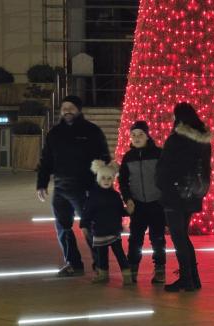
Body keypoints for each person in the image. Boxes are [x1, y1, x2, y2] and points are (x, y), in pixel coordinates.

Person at [36, 95, 110, 277]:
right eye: (64, 108)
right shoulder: (54, 133)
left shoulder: (92, 131)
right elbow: (46, 160)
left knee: (89, 226)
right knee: (63, 227)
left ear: (79, 110)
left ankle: (100, 264)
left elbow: (104, 157)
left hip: (84, 187)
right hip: (61, 188)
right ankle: (73, 263)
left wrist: (99, 184)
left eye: (71, 107)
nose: (67, 110)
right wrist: (42, 183)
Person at [156, 102, 212, 292]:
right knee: (183, 236)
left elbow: (165, 168)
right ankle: (193, 279)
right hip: (193, 195)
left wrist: (162, 186)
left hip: (174, 195)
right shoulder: (203, 141)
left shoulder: (177, 139)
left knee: (178, 237)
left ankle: (187, 279)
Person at [118, 121, 166, 284]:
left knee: (157, 238)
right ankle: (132, 268)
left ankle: (160, 269)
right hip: (137, 205)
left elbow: (166, 177)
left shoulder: (158, 154)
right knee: (135, 238)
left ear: (147, 136)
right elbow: (123, 182)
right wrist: (128, 199)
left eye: (140, 135)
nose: (136, 138)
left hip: (156, 204)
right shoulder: (128, 157)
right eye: (133, 135)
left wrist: (164, 197)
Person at [80, 160, 131, 285]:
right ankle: (103, 274)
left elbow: (120, 211)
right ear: (98, 179)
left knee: (120, 254)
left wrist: (128, 211)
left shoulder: (115, 195)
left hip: (114, 231)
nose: (106, 181)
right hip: (99, 230)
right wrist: (84, 225)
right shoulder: (93, 196)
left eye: (109, 178)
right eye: (103, 178)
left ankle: (127, 275)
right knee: (102, 255)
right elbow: (87, 212)